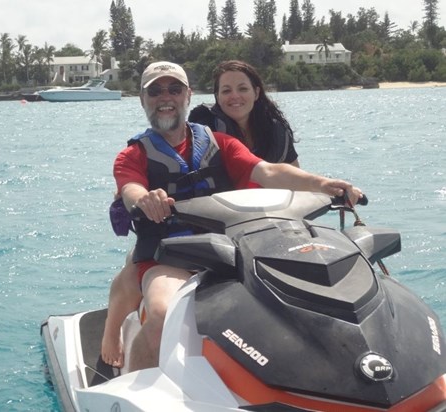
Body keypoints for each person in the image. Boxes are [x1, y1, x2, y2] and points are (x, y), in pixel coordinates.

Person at [110, 61, 362, 372]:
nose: (166, 97)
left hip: (229, 250)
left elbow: (268, 171)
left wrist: (323, 184)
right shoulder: (132, 156)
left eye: (174, 89)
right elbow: (130, 188)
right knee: (163, 315)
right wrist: (146, 198)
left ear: (188, 95)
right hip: (168, 255)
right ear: (142, 99)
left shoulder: (221, 143)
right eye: (156, 91)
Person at [188, 59, 299, 167]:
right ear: (217, 97)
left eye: (243, 89)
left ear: (256, 93)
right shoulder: (203, 130)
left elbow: (296, 180)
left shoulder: (276, 132)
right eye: (226, 91)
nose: (235, 96)